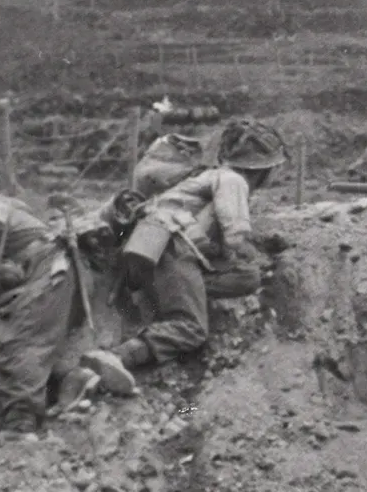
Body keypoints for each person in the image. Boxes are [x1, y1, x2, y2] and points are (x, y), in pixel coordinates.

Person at [82, 119, 284, 388]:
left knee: (248, 276)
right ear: (262, 168)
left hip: (151, 246)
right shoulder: (233, 180)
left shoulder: (209, 176)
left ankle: (168, 297)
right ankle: (116, 358)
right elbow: (236, 237)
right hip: (172, 246)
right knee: (191, 328)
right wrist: (260, 252)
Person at [0, 192, 132, 432]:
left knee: (18, 339)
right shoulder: (11, 213)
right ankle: (68, 375)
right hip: (58, 278)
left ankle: (21, 423)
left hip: (56, 272)